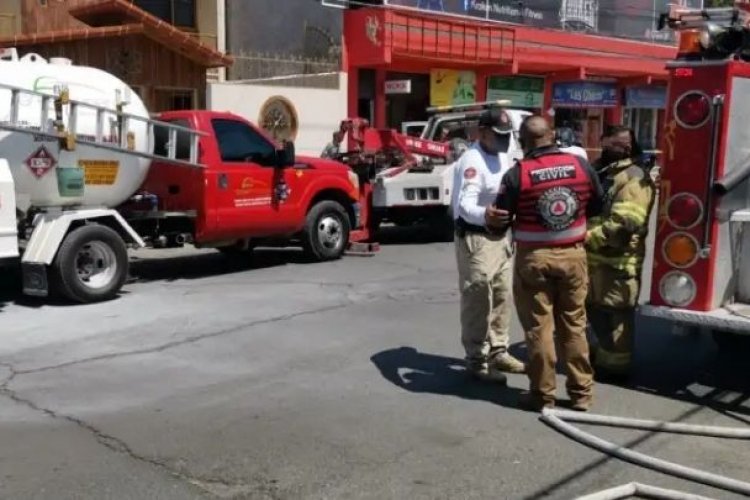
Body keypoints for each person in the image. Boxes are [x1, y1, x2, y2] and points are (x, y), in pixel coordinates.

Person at [492, 115, 604, 411]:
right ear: (552, 135)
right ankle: (581, 394)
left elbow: (500, 219)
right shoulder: (581, 166)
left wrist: (492, 220)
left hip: (534, 259)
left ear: (522, 141)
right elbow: (597, 205)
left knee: (539, 328)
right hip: (573, 255)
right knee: (574, 325)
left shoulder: (517, 174)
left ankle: (542, 395)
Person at [450, 107, 526, 383]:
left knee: (502, 296)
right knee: (478, 298)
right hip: (477, 237)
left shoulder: (504, 155)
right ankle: (477, 359)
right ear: (482, 133)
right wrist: (486, 215)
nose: (505, 140)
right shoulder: (472, 161)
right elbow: (464, 205)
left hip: (501, 237)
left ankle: (498, 351)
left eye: (507, 135)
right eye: (499, 135)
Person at [586, 126, 656, 378]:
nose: (614, 148)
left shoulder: (634, 178)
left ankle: (615, 368)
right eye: (609, 143)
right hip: (596, 261)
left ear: (629, 147)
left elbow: (625, 224)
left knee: (615, 316)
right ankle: (601, 359)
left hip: (618, 262)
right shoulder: (603, 171)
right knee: (596, 312)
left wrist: (585, 238)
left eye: (621, 145)